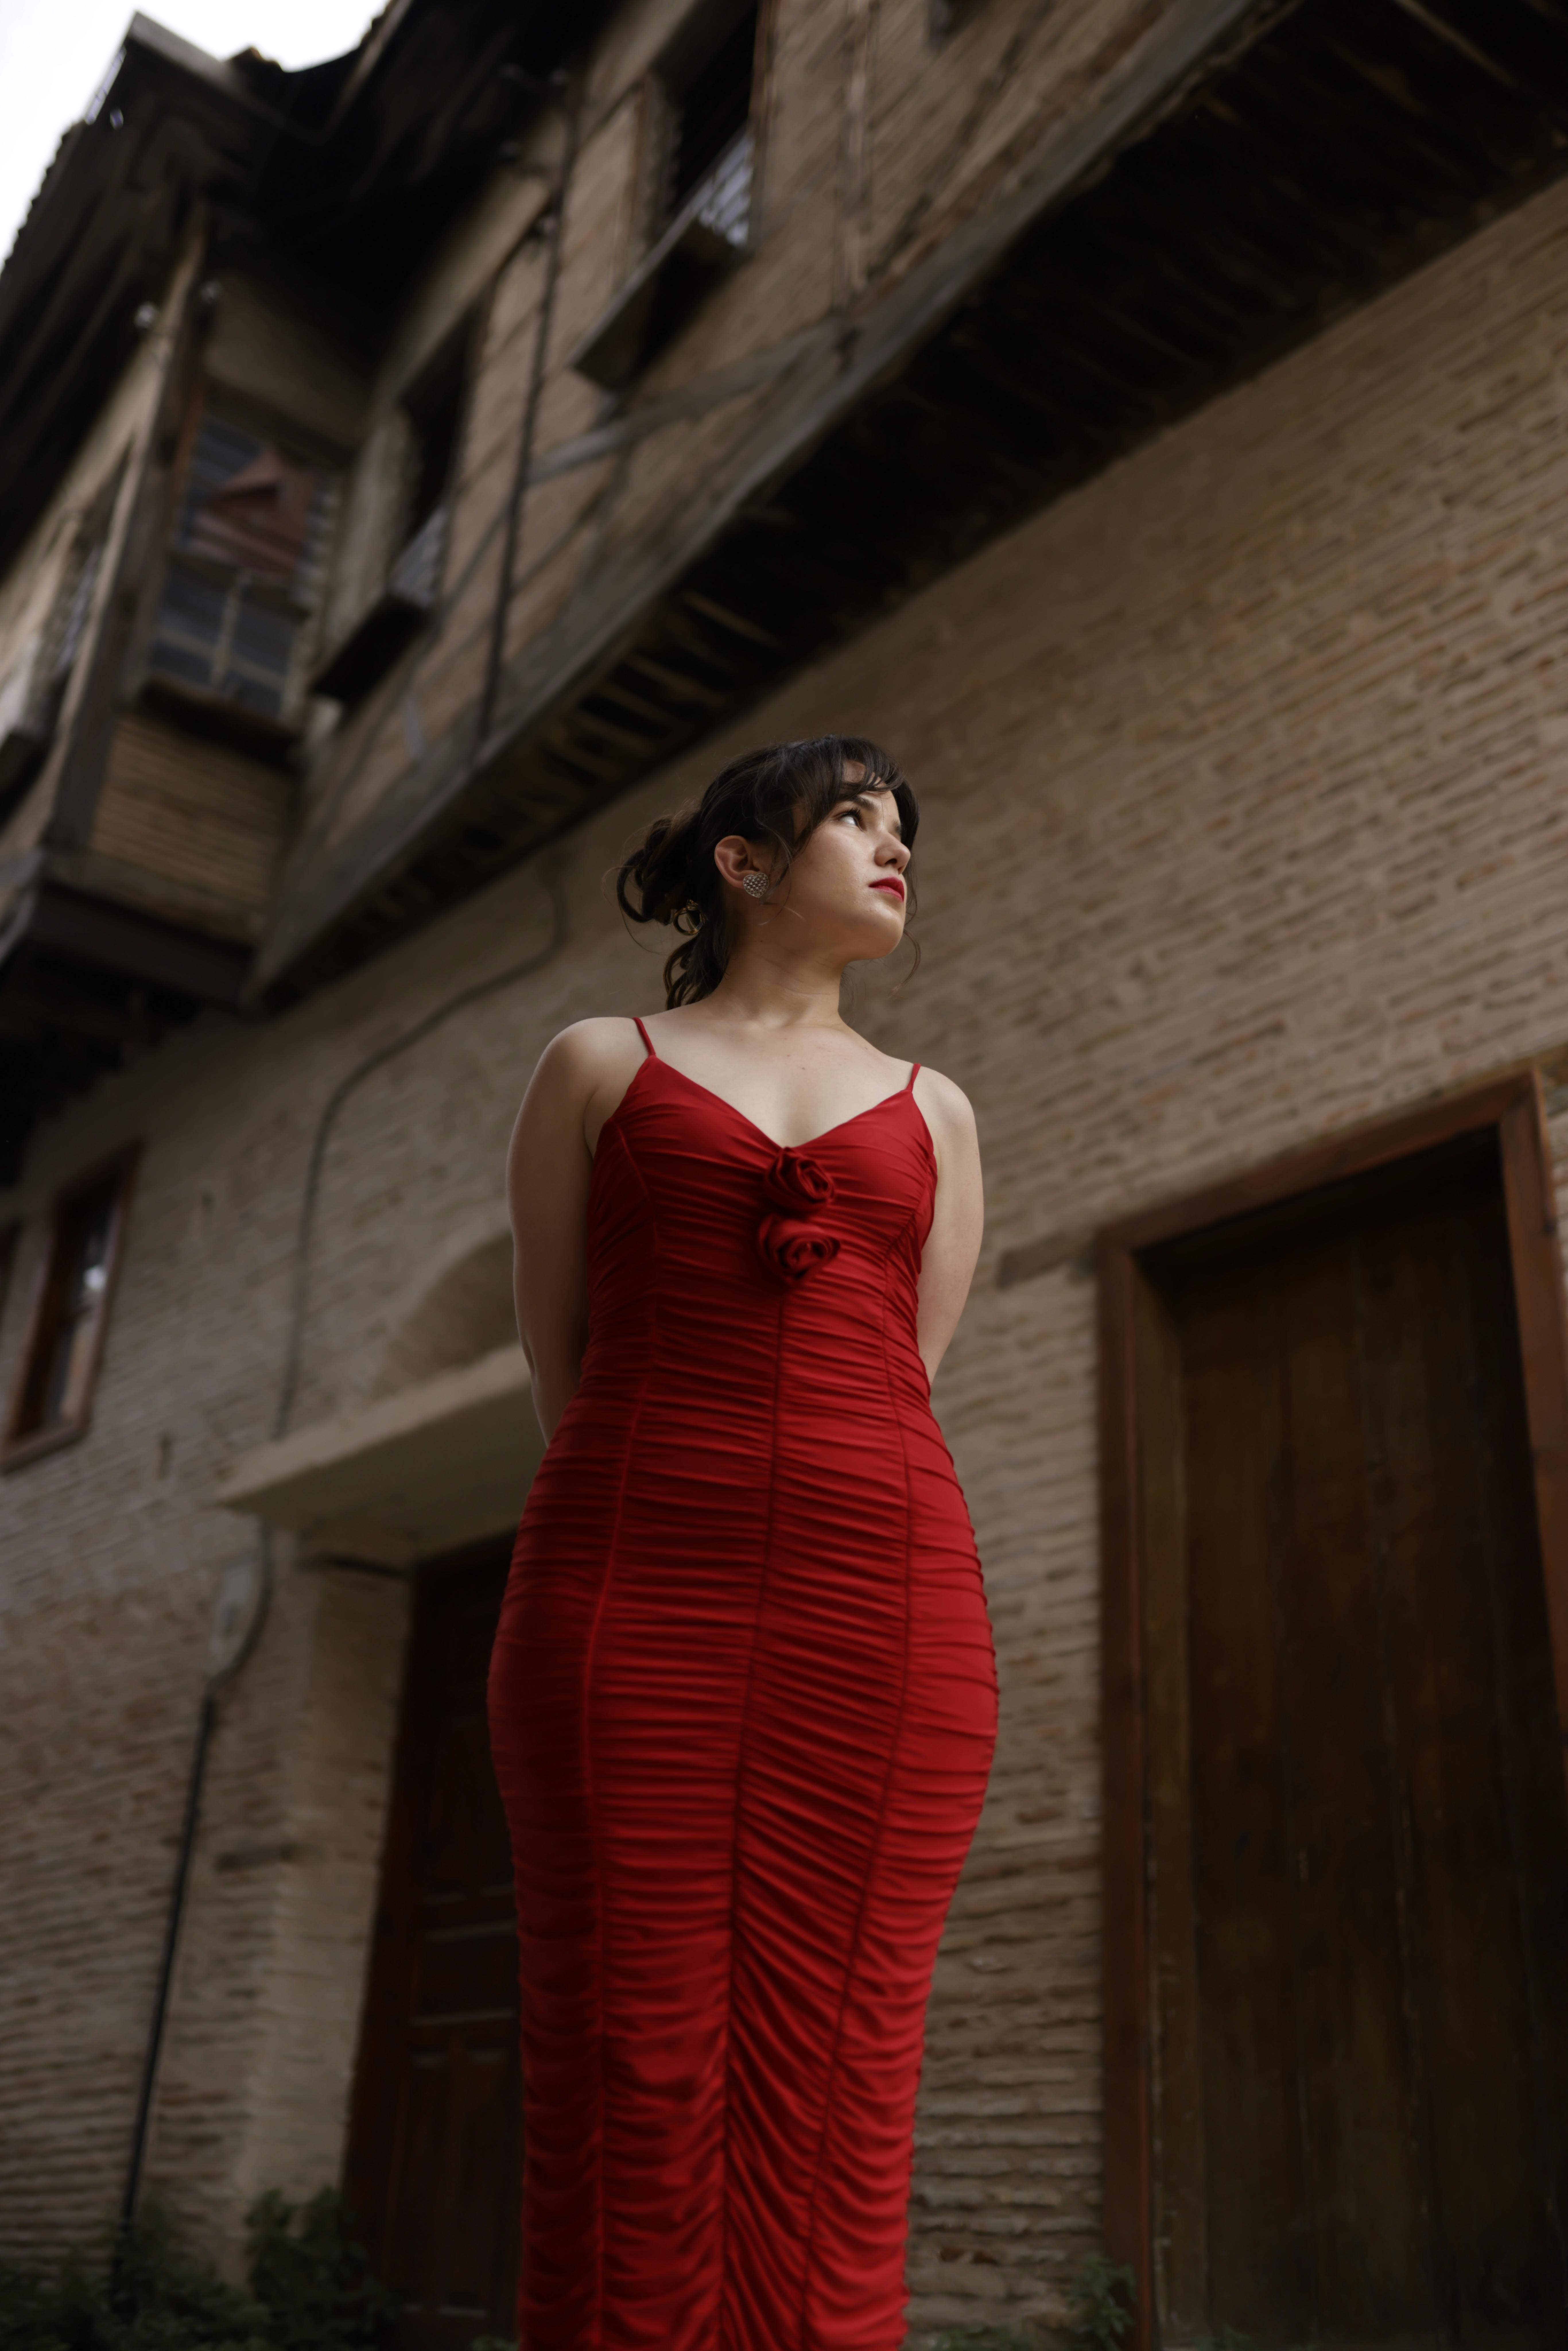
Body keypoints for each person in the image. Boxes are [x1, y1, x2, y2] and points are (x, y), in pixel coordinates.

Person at [488, 734, 998, 2349]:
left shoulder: (939, 1113)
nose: (892, 844)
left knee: (847, 2068)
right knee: (623, 2050)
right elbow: (561, 1351)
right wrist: (688, 1470)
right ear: (742, 860)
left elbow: (899, 1374)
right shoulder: (594, 1063)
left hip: (880, 1602)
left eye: (901, 824)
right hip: (630, 1584)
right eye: (855, 817)